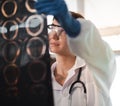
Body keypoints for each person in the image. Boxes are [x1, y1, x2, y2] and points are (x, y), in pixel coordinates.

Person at [35, 0, 116, 106]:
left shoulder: (95, 72)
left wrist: (76, 28)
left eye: (62, 29)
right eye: (52, 27)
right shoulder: (41, 79)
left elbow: (101, 50)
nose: (54, 35)